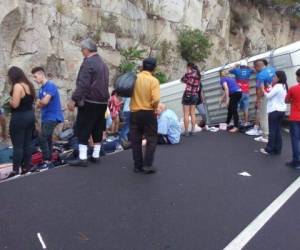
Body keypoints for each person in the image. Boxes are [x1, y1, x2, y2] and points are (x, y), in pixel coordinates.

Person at [67, 38, 109, 166]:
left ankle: (83, 157)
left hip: (90, 100)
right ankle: (96, 155)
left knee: (83, 127)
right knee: (98, 127)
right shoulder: (103, 64)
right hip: (102, 101)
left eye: (82, 50)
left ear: (86, 50)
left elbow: (83, 84)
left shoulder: (88, 63)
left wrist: (74, 99)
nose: (81, 52)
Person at [130, 57, 160, 174]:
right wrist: (154, 106)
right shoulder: (154, 81)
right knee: (151, 138)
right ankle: (147, 165)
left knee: (135, 139)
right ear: (154, 68)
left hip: (134, 112)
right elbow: (156, 99)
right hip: (148, 112)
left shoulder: (134, 78)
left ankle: (137, 165)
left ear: (142, 66)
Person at [32, 67, 64, 169]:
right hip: (46, 117)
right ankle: (50, 160)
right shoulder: (41, 89)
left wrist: (40, 102)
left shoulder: (50, 85)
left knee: (42, 137)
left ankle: (46, 160)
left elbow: (44, 102)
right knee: (48, 138)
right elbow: (38, 104)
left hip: (53, 116)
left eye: (35, 76)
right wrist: (40, 102)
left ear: (41, 75)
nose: (34, 79)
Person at [7, 66, 35, 178]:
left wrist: (9, 100)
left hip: (19, 117)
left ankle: (15, 171)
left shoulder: (18, 86)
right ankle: (26, 168)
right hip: (30, 116)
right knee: (27, 144)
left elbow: (15, 104)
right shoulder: (29, 85)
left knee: (18, 146)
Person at [246, 59, 275, 142]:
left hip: (264, 96)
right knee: (269, 115)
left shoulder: (260, 75)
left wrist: (258, 101)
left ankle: (265, 136)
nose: (255, 69)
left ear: (258, 66)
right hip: (272, 94)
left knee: (263, 116)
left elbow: (259, 90)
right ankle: (269, 132)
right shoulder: (271, 69)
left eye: (255, 67)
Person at [260, 71, 287, 155]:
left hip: (274, 111)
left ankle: (269, 149)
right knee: (277, 130)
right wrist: (270, 87)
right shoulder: (284, 85)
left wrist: (262, 89)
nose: (273, 78)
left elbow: (268, 96)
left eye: (274, 77)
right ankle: (277, 149)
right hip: (281, 110)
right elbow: (275, 94)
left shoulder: (277, 86)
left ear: (278, 78)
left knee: (272, 131)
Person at [229, 62, 255, 126]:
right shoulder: (249, 71)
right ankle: (246, 122)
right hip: (246, 92)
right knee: (246, 108)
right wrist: (249, 67)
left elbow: (229, 71)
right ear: (246, 66)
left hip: (238, 92)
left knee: (235, 108)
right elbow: (255, 71)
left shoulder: (237, 70)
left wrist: (235, 66)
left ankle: (235, 122)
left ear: (240, 66)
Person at [285, 68, 300, 169]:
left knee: (295, 140)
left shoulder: (293, 88)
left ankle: (296, 162)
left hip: (295, 117)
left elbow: (286, 100)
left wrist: (293, 101)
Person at [181, 63, 201, 136]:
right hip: (195, 95)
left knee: (186, 113)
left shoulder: (188, 74)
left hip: (187, 94)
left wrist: (187, 79)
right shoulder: (198, 74)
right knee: (193, 113)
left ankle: (186, 132)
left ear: (189, 67)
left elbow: (182, 80)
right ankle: (193, 130)